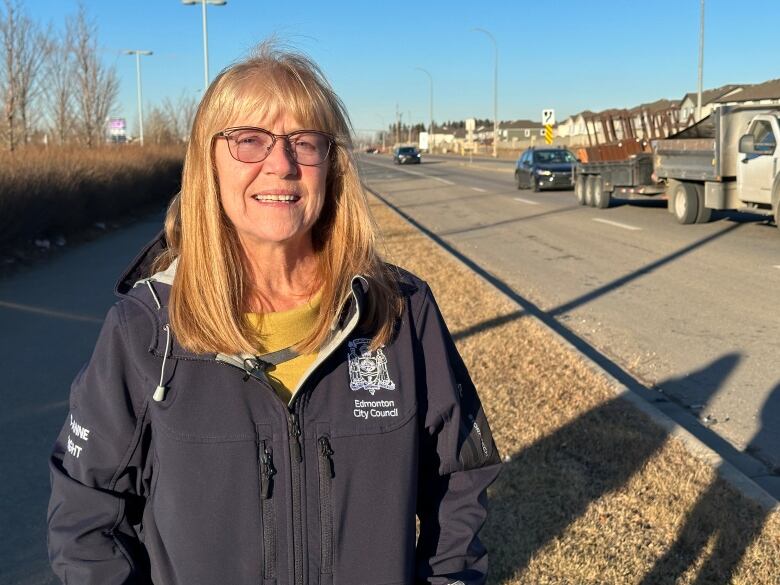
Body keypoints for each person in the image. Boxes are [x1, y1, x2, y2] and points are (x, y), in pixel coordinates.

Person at [47, 43, 501, 585]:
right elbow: (86, 515)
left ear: (332, 165)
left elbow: (460, 483)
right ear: (207, 164)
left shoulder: (400, 312)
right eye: (249, 141)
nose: (281, 165)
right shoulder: (146, 329)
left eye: (305, 142)